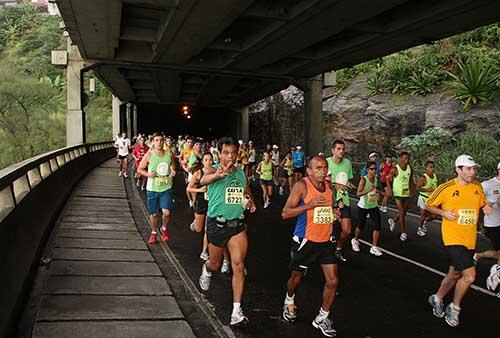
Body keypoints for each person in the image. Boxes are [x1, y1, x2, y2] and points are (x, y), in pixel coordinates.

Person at [426, 155, 492, 327]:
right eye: (469, 168)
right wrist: (443, 213)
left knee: (455, 274)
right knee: (469, 276)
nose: (473, 172)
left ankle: (437, 297)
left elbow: (480, 203)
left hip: (469, 239)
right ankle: (454, 308)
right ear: (458, 169)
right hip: (452, 238)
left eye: (474, 168)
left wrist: (485, 206)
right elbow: (428, 204)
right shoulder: (446, 187)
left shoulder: (477, 186)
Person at [198, 137, 256, 327]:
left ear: (237, 154)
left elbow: (246, 190)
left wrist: (250, 201)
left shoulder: (240, 173)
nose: (229, 156)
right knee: (215, 264)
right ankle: (206, 269)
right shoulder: (213, 169)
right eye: (225, 153)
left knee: (238, 265)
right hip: (217, 224)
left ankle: (236, 312)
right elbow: (202, 180)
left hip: (237, 225)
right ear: (219, 153)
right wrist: (217, 175)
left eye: (233, 153)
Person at [281, 156, 340, 337]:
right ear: (309, 170)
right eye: (318, 168)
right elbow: (285, 213)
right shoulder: (302, 186)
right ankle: (289, 300)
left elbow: (327, 210)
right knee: (296, 278)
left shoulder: (329, 186)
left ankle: (322, 318)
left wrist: (334, 213)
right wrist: (309, 205)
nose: (322, 171)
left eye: (325, 168)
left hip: (325, 241)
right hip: (305, 241)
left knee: (333, 280)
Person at [137, 133, 176, 244]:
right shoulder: (149, 155)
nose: (159, 142)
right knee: (154, 214)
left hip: (166, 187)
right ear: (153, 142)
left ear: (163, 142)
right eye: (156, 140)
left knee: (166, 212)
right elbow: (139, 169)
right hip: (152, 188)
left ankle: (163, 228)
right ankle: (153, 232)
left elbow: (173, 164)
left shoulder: (169, 154)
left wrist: (173, 170)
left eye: (161, 140)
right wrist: (148, 174)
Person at [326, 140, 355, 262]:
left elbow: (347, 180)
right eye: (338, 149)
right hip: (329, 200)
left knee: (347, 230)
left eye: (343, 149)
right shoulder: (326, 162)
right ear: (333, 150)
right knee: (326, 230)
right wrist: (335, 184)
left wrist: (349, 185)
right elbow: (322, 182)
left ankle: (338, 248)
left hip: (344, 199)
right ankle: (322, 254)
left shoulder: (347, 163)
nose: (341, 151)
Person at [474, 161, 500, 293]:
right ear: (498, 170)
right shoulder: (488, 184)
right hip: (492, 224)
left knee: (498, 254)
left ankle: (478, 256)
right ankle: (495, 278)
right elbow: (475, 197)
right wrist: (485, 205)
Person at [351, 161, 383, 256]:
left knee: (377, 226)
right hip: (363, 206)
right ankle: (355, 240)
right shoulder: (364, 180)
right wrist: (367, 190)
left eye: (375, 169)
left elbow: (375, 190)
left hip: (373, 206)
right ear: (368, 170)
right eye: (371, 169)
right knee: (361, 225)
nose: (373, 171)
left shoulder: (376, 179)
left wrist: (377, 194)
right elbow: (358, 193)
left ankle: (374, 247)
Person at [187, 153, 213, 260]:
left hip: (211, 203)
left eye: (210, 160)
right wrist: (199, 190)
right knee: (199, 229)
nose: (208, 162)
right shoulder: (198, 173)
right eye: (206, 160)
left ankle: (204, 251)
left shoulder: (215, 172)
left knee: (208, 229)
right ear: (202, 162)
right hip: (200, 202)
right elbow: (189, 188)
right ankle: (195, 223)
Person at [388, 152, 414, 242]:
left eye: (407, 158)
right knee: (402, 212)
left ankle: (393, 220)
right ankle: (403, 233)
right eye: (404, 158)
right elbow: (388, 178)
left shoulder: (410, 168)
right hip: (398, 193)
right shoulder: (395, 169)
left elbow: (411, 180)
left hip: (406, 193)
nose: (406, 160)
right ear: (400, 159)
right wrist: (390, 189)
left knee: (404, 212)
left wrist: (412, 190)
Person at [416, 161, 438, 237]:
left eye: (433, 167)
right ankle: (420, 228)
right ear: (426, 168)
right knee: (423, 214)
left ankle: (425, 221)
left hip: (432, 199)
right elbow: (417, 188)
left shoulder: (434, 176)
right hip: (423, 198)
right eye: (431, 167)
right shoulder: (423, 178)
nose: (433, 169)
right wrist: (426, 190)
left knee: (435, 215)